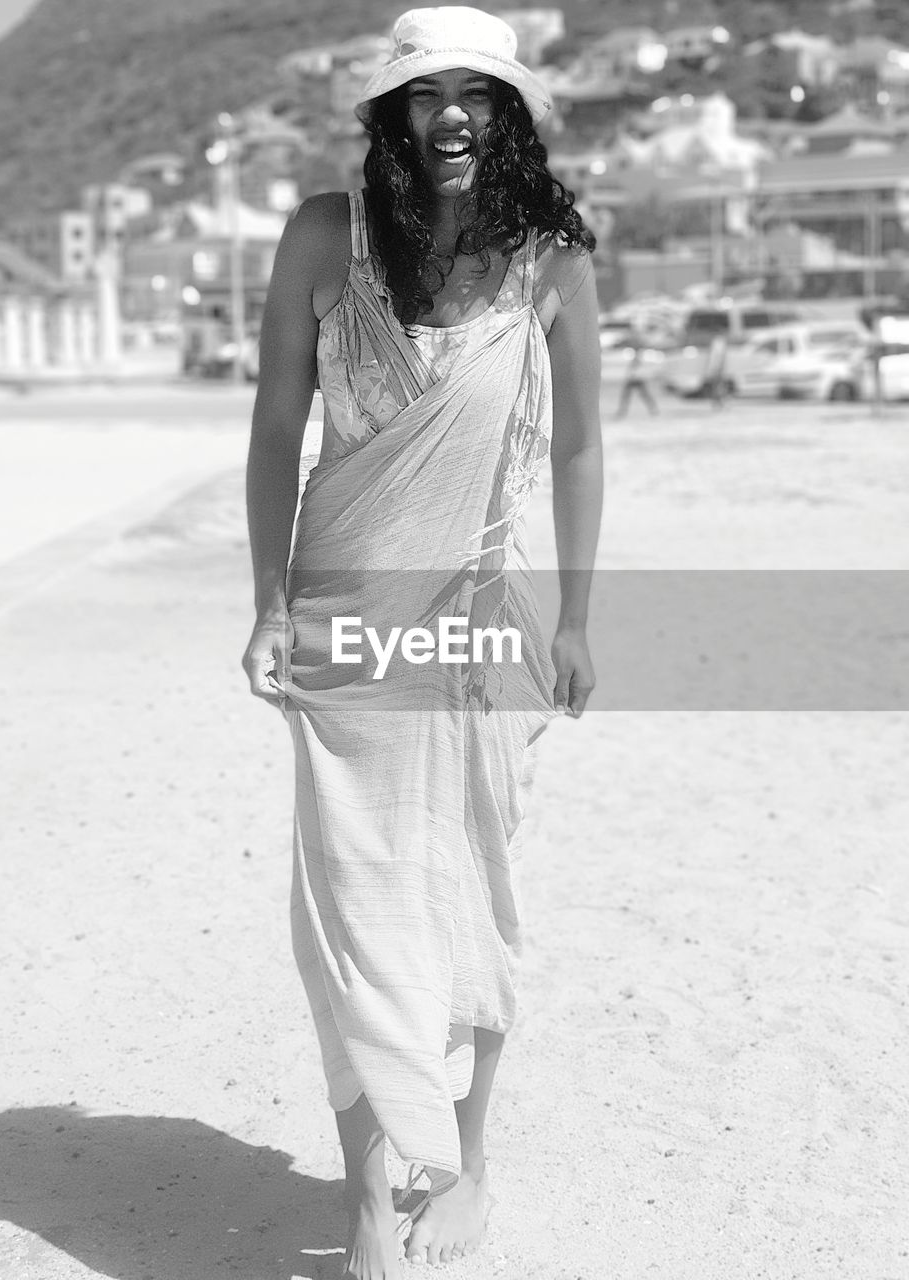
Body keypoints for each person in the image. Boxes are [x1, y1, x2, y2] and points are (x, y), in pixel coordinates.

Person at [241, 8, 603, 1277]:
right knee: (350, 902)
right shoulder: (322, 238)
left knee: (480, 888)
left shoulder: (544, 256)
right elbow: (276, 430)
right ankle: (364, 1194)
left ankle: (470, 1159)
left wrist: (578, 618)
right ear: (393, 113)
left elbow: (577, 444)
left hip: (482, 620)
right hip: (346, 617)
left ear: (509, 113)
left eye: (479, 92)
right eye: (427, 91)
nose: (453, 112)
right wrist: (269, 601)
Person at [614, 334, 658, 418]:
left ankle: (622, 411)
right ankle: (652, 409)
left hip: (635, 378)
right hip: (635, 378)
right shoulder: (636, 355)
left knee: (629, 396)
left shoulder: (637, 356)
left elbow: (636, 368)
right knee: (641, 395)